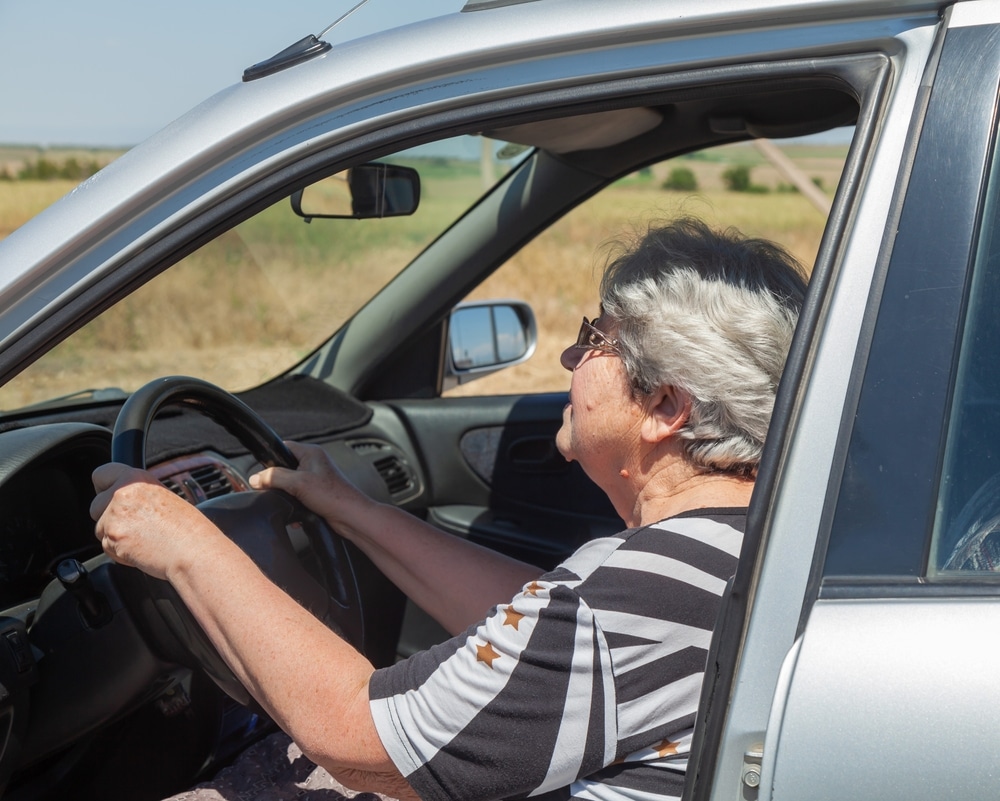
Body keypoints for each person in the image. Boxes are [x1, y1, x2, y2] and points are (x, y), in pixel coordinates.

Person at [90, 217, 807, 801]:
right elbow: (530, 622)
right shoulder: (731, 548)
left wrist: (186, 543)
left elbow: (362, 741)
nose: (566, 356)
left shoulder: (631, 598)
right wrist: (350, 508)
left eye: (596, 340)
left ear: (666, 406)